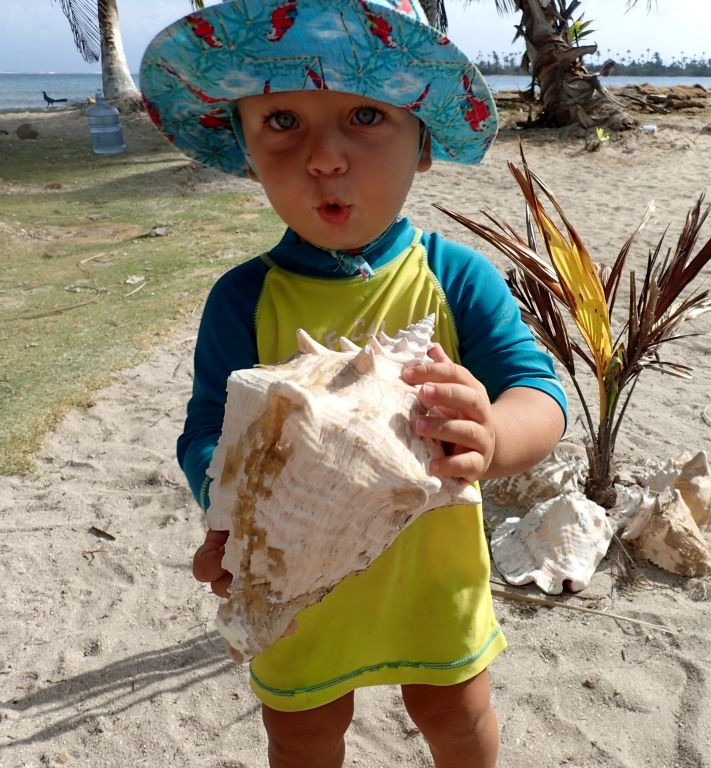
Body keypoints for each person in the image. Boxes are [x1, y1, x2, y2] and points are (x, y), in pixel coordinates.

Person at [138, 1, 567, 766]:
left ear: (423, 142)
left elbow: (539, 394)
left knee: (457, 715)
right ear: (244, 146)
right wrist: (230, 506)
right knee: (301, 734)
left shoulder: (456, 278)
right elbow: (206, 430)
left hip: (432, 581)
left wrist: (495, 435)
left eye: (366, 115)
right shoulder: (242, 299)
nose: (324, 157)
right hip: (297, 581)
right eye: (282, 122)